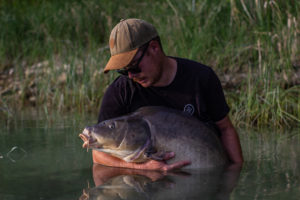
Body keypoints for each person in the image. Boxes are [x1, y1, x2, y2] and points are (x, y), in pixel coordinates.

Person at [93, 18, 243, 171]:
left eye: (134, 67)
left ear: (154, 48)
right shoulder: (120, 91)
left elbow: (225, 129)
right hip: (145, 183)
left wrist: (236, 174)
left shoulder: (202, 78)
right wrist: (144, 168)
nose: (131, 75)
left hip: (202, 173)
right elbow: (98, 154)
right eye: (124, 70)